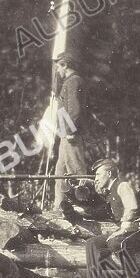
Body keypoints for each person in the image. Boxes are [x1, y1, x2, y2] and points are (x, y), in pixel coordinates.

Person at [84, 158, 140, 278]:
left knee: (115, 241)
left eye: (98, 174)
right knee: (92, 243)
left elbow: (132, 207)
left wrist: (122, 229)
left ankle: (134, 274)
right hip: (127, 232)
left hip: (139, 229)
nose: (96, 178)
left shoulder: (122, 186)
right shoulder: (110, 193)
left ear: (109, 174)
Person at [52, 50, 88, 209]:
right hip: (64, 134)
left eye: (58, 67)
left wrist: (71, 132)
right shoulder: (68, 82)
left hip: (70, 135)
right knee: (61, 171)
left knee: (76, 169)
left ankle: (84, 204)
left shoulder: (73, 81)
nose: (57, 71)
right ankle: (59, 206)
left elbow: (74, 109)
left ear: (65, 65)